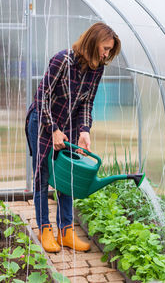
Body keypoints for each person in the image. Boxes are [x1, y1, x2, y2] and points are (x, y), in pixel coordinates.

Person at [25, 22, 121, 253]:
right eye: (105, 48)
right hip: (42, 121)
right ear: (92, 41)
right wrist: (53, 128)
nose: (106, 54)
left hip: (67, 127)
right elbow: (42, 98)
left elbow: (86, 103)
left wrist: (84, 131)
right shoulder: (63, 60)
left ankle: (66, 232)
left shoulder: (97, 68)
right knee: (43, 175)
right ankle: (45, 229)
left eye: (110, 51)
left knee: (68, 177)